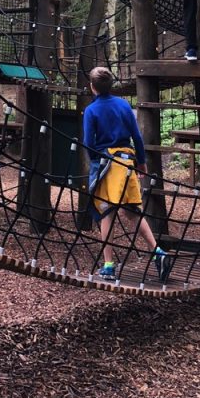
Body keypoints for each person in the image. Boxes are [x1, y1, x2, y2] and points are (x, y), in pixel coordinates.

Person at [83, 67, 173, 284]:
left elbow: (88, 143)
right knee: (132, 211)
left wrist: (95, 165)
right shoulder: (123, 105)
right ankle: (158, 252)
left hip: (109, 165)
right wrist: (141, 163)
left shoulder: (92, 110)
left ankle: (108, 266)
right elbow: (137, 137)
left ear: (92, 87)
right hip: (127, 162)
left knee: (106, 212)